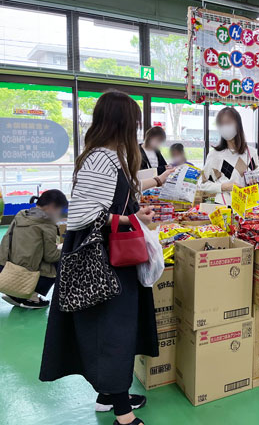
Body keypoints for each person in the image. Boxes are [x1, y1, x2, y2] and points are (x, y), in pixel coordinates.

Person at [40, 91, 175, 425]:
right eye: (133, 123)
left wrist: (135, 211)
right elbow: (85, 218)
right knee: (111, 333)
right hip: (100, 261)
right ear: (121, 123)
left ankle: (109, 394)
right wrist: (133, 219)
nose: (136, 129)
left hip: (117, 258)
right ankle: (123, 414)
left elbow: (109, 204)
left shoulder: (109, 155)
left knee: (116, 330)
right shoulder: (101, 158)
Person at [0, 190, 68, 309]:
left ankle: (16, 291)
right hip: (27, 274)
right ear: (52, 207)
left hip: (5, 267)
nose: (59, 214)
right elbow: (50, 256)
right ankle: (30, 296)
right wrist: (64, 249)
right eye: (59, 210)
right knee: (61, 261)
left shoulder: (21, 214)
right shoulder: (47, 225)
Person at [200, 107, 259, 205]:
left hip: (247, 205)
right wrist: (223, 187)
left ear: (238, 125)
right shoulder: (215, 154)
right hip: (224, 205)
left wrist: (255, 182)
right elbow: (203, 184)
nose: (225, 127)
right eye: (221, 124)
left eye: (228, 123)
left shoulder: (251, 153)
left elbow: (256, 179)